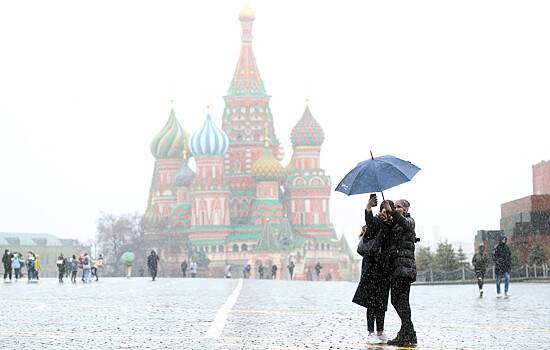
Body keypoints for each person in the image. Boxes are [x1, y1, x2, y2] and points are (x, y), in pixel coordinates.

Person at [353, 196, 393, 345]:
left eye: (388, 209)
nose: (385, 211)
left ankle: (380, 332)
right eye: (382, 208)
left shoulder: (392, 226)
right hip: (371, 267)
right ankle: (370, 332)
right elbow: (369, 222)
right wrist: (368, 208)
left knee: (382, 302)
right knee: (371, 301)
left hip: (384, 269)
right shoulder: (376, 222)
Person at [383, 199, 418, 347]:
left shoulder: (409, 221)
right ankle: (407, 333)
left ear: (405, 209)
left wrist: (391, 211)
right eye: (395, 206)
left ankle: (408, 333)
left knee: (399, 301)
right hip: (397, 268)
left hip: (404, 268)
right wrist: (385, 216)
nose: (396, 209)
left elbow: (404, 223)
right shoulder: (396, 223)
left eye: (399, 207)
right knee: (400, 301)